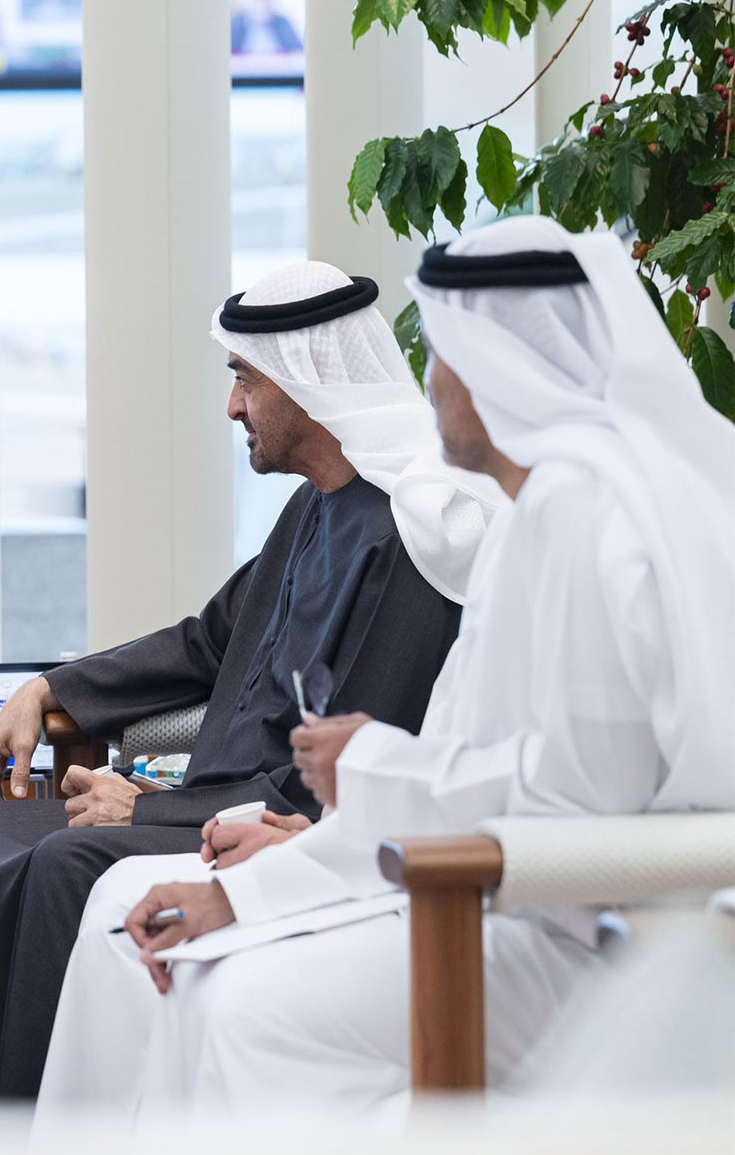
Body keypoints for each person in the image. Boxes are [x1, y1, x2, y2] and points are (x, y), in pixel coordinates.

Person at [38, 217, 735, 1120]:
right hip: (502, 897)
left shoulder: (580, 511)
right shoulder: (538, 513)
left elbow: (575, 798)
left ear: (494, 374)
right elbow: (490, 768)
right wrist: (251, 895)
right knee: (197, 957)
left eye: (440, 357)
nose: (425, 384)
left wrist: (362, 775)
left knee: (248, 1010)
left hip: (590, 937)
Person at [0, 262, 503, 1096]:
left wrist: (146, 807)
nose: (232, 408)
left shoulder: (405, 538)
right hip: (203, 798)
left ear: (304, 385)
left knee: (61, 862)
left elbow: (320, 785)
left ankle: (29, 1118)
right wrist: (49, 689)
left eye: (245, 381)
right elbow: (204, 643)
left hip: (261, 822)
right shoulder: (311, 509)